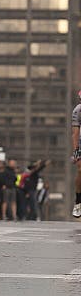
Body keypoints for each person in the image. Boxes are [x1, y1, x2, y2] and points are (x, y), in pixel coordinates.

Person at [71, 89, 81, 218]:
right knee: (80, 169)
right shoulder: (78, 110)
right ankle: (78, 201)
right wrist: (76, 151)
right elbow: (75, 134)